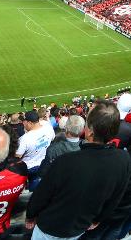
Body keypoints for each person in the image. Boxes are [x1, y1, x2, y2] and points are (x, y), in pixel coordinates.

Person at [26, 100, 131, 240]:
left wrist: (30, 215)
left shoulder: (66, 161)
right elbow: (115, 197)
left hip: (51, 228)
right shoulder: (124, 159)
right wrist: (97, 219)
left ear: (89, 131)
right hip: (80, 227)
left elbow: (42, 195)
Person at [16, 110, 53, 189]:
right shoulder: (49, 128)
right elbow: (52, 140)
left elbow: (17, 156)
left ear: (30, 123)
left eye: (24, 122)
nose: (23, 124)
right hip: (44, 164)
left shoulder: (24, 139)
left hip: (29, 168)